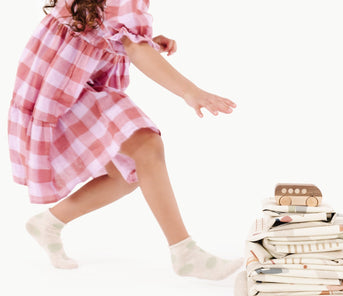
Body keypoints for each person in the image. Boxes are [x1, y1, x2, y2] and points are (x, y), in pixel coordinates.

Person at [7, 0, 243, 280]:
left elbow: (100, 29)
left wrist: (145, 41)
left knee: (126, 173)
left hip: (58, 82)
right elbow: (134, 48)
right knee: (145, 145)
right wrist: (189, 91)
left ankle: (49, 222)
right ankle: (185, 253)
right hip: (63, 90)